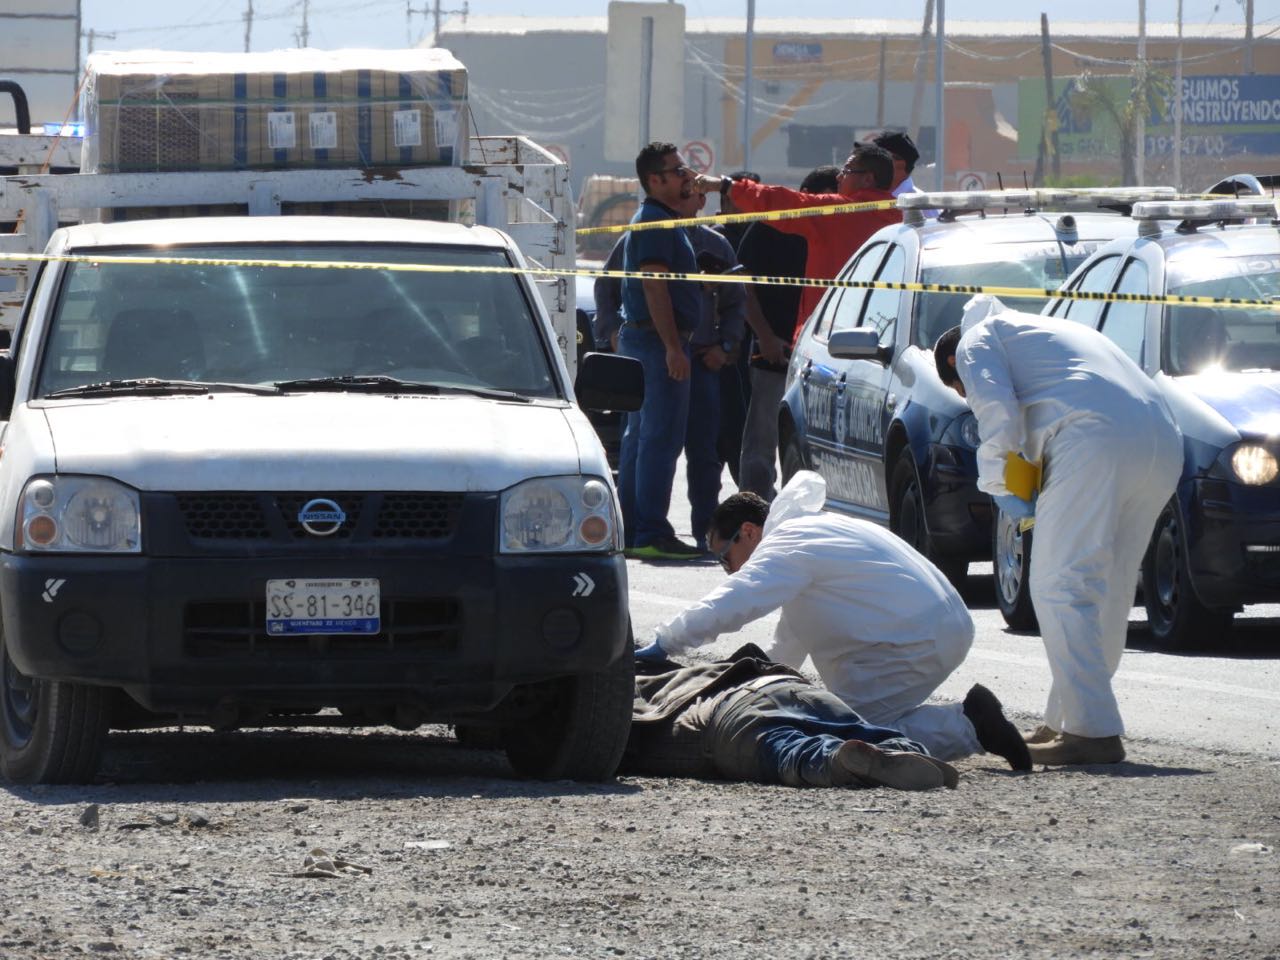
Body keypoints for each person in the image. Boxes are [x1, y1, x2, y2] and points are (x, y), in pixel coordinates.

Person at [634, 471, 1032, 770]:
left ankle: (971, 725)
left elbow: (733, 603)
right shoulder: (810, 532)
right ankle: (968, 722)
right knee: (837, 719)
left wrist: (666, 642)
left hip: (916, 638)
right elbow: (790, 642)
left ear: (749, 531)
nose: (729, 571)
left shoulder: (787, 545)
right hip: (934, 628)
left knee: (846, 733)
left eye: (725, 558)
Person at [933, 296, 1183, 766]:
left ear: (953, 362)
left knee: (1056, 585)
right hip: (1162, 442)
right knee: (1105, 589)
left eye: (958, 390)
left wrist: (994, 480)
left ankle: (1093, 732)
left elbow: (996, 414)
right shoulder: (1043, 331)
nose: (965, 398)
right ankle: (1067, 717)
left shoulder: (975, 342)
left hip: (1094, 438)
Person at [594, 189, 746, 551]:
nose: (692, 197)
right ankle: (638, 530)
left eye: (694, 192)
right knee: (645, 441)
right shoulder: (646, 233)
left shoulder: (716, 243)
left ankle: (707, 533)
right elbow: (609, 286)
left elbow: (737, 299)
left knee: (703, 451)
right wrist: (613, 331)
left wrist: (725, 347)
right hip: (658, 352)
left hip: (701, 361)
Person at [625, 642, 958, 791]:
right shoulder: (670, 671)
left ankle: (833, 759)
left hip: (731, 714)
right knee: (861, 728)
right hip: (784, 683)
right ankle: (907, 748)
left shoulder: (613, 700)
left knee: (788, 751)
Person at [694, 142, 901, 342]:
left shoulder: (840, 213)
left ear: (867, 179)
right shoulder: (904, 217)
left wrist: (726, 186)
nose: (839, 176)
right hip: (885, 336)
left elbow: (784, 203)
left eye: (847, 170)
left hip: (828, 337)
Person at [615, 142, 704, 560]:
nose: (686, 176)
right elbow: (655, 286)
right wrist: (673, 347)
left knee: (641, 439)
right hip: (654, 343)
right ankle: (650, 529)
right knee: (659, 440)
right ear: (655, 180)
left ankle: (634, 529)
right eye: (677, 170)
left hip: (647, 341)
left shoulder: (665, 220)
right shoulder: (654, 220)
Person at [736, 164, 840, 500]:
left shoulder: (841, 228)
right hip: (773, 352)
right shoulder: (770, 226)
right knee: (761, 442)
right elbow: (743, 286)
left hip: (824, 357)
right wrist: (765, 336)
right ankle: (754, 509)